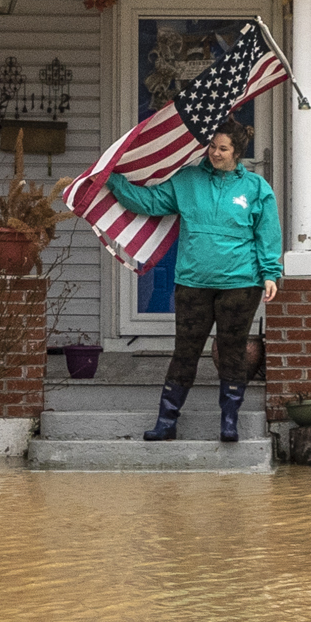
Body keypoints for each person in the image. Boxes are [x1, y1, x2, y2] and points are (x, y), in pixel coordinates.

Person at [106, 127, 282, 444]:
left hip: (241, 285)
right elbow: (149, 201)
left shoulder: (256, 187)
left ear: (238, 152)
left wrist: (271, 273)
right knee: (184, 352)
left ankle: (229, 422)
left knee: (232, 352)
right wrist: (111, 179)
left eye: (223, 149)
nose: (215, 153)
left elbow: (266, 234)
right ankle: (165, 422)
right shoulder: (188, 180)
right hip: (192, 284)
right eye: (212, 146)